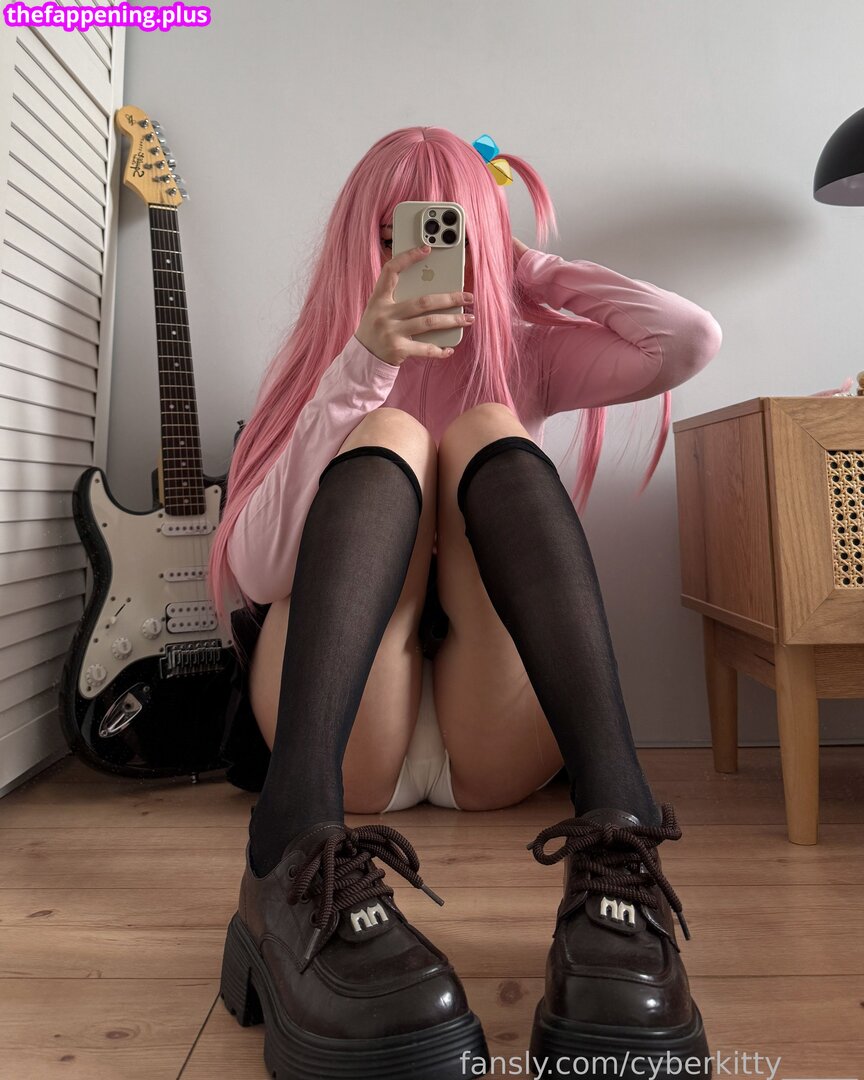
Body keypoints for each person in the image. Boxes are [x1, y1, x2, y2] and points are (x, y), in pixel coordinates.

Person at [208, 126, 723, 1079]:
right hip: (346, 740)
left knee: (485, 428)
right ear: (358, 248)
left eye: (445, 231)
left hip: (490, 736)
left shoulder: (526, 353)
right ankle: (294, 845)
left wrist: (527, 270)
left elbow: (688, 339)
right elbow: (259, 572)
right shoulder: (322, 366)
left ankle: (619, 827)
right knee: (394, 436)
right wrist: (359, 374)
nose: (419, 255)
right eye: (394, 236)